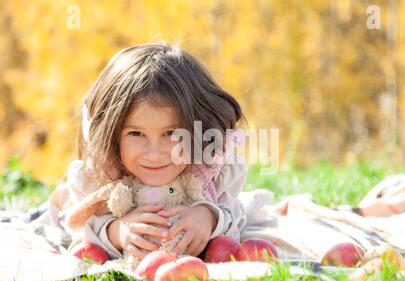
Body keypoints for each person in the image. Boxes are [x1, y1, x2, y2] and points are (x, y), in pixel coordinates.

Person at [39, 42, 249, 261]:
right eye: (136, 134)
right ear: (112, 136)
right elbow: (78, 233)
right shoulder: (98, 175)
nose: (154, 153)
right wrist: (116, 231)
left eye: (171, 133)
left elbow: (235, 217)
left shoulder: (212, 169)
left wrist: (209, 217)